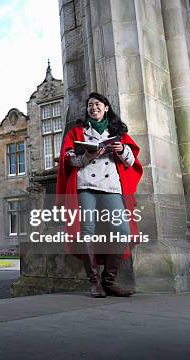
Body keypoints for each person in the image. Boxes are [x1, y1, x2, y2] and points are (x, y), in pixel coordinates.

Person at [56, 92, 143, 298]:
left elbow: (131, 162)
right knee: (87, 231)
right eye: (89, 105)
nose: (93, 107)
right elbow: (69, 161)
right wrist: (87, 156)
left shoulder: (118, 132)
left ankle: (109, 280)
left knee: (123, 230)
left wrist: (121, 149)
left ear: (106, 108)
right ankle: (94, 282)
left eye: (97, 104)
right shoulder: (77, 131)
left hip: (111, 187)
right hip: (85, 186)